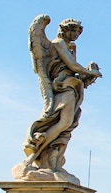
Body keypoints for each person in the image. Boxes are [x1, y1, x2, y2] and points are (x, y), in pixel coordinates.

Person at [16, 16, 102, 182]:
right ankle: (33, 157)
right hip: (63, 87)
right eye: (73, 31)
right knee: (63, 123)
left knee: (66, 125)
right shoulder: (57, 43)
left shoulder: (71, 47)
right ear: (65, 30)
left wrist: (87, 78)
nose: (76, 34)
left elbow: (74, 71)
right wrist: (91, 72)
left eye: (78, 32)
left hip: (73, 87)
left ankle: (50, 160)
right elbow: (73, 67)